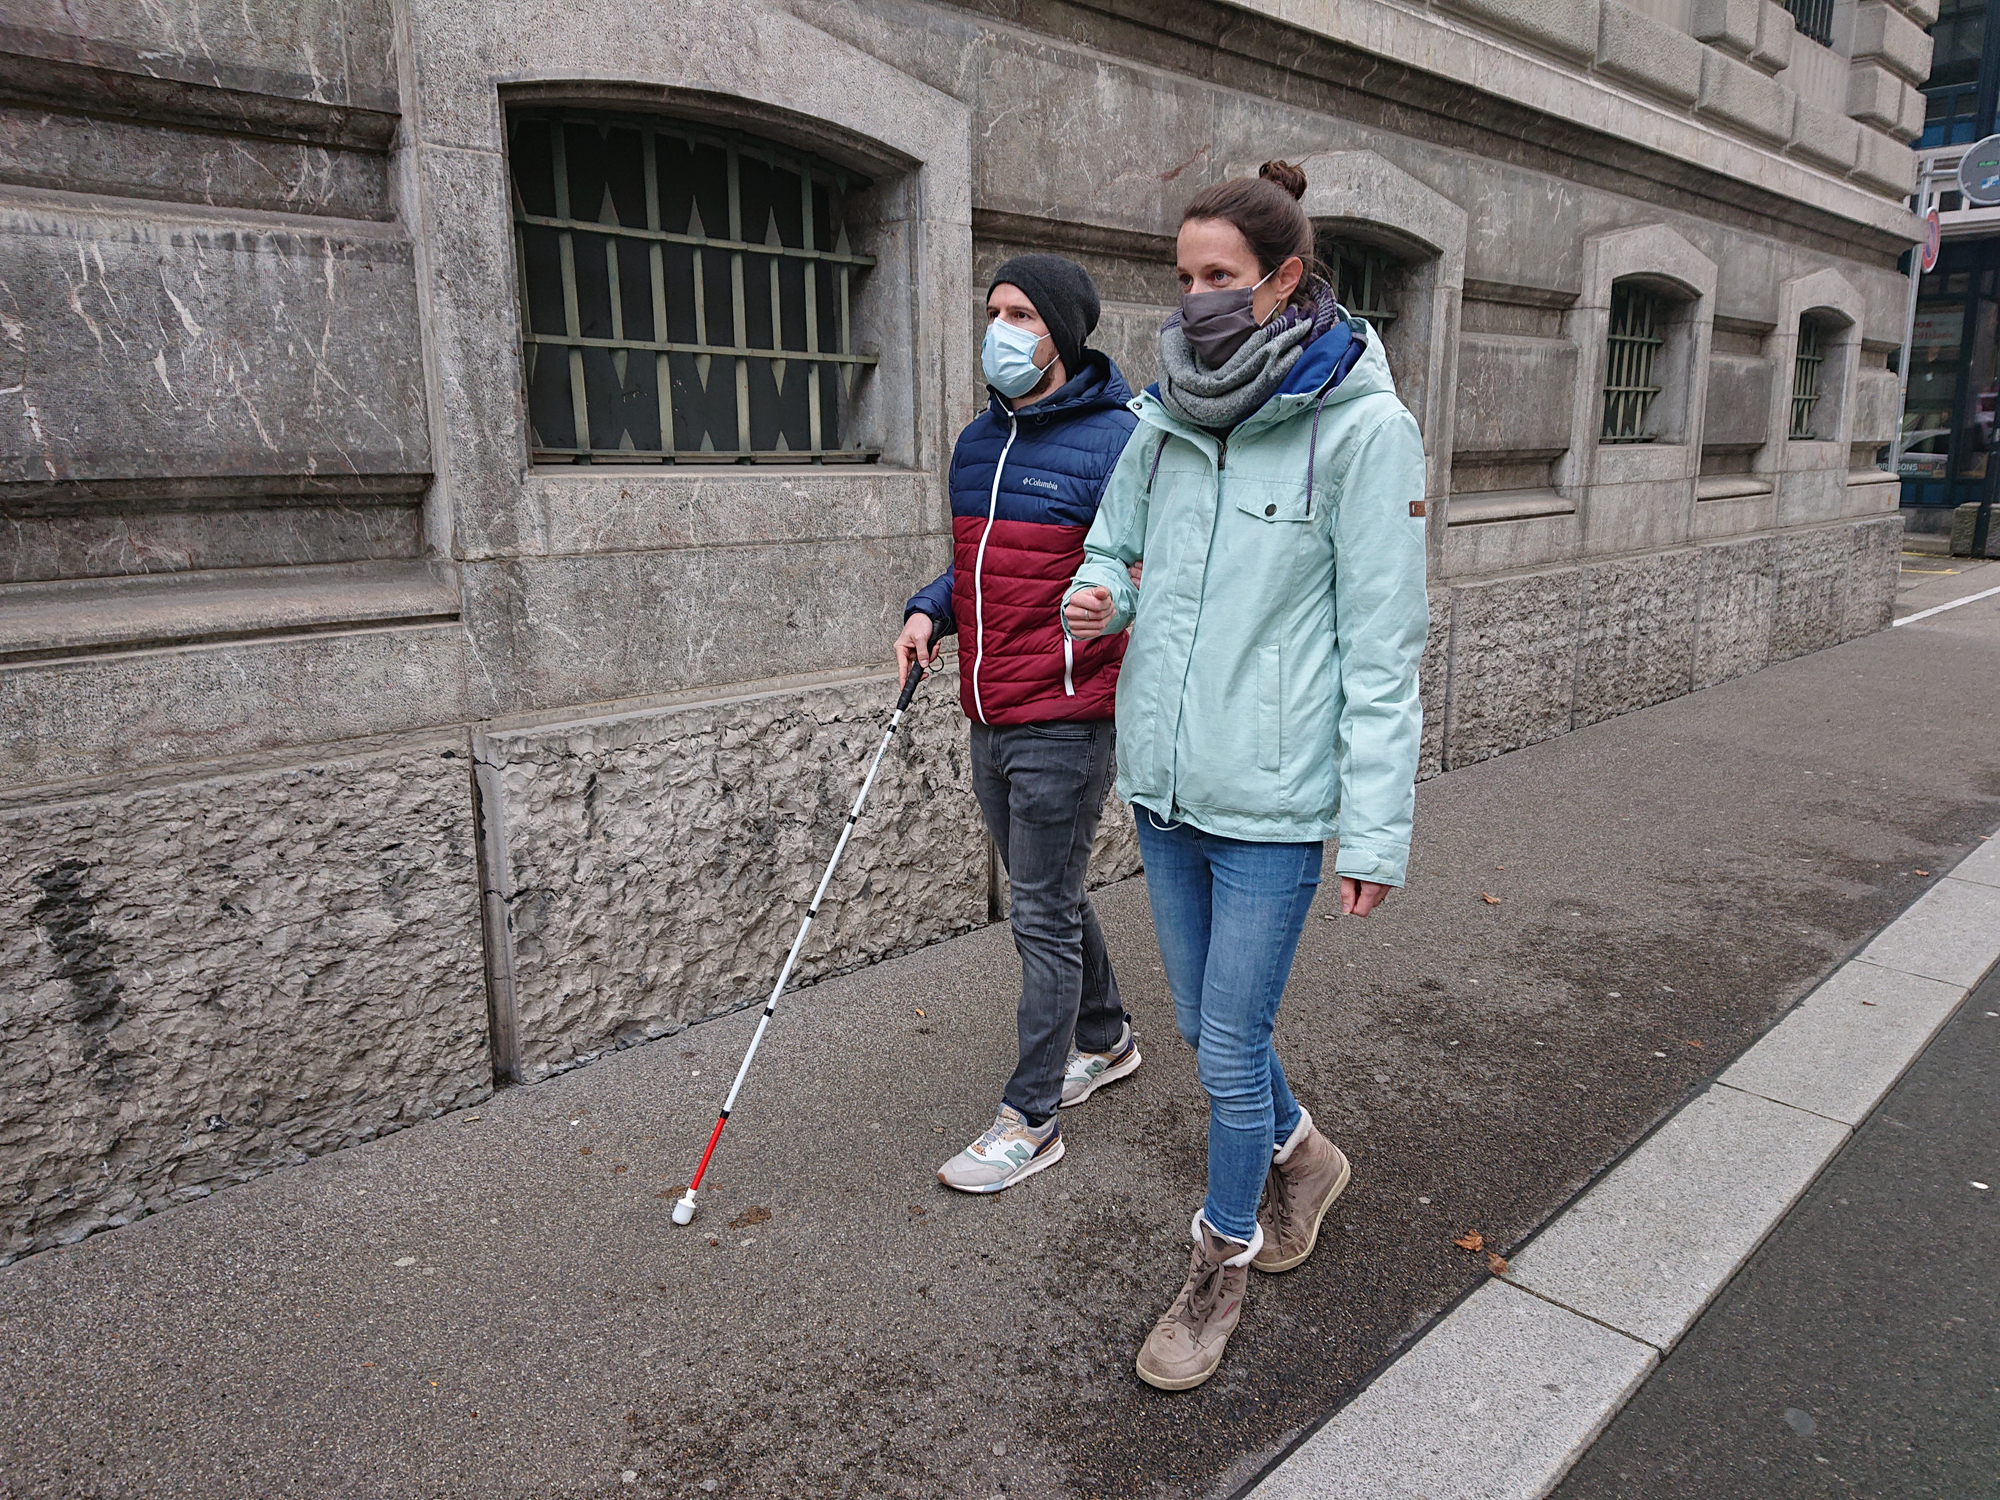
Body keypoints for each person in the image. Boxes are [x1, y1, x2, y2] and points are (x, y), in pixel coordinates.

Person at [1062, 161, 1427, 1390]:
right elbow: (1115, 543)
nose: (1194, 300)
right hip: (1164, 782)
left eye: (1219, 279)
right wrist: (1102, 589)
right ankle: (1305, 1154)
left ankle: (1219, 1264)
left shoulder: (1363, 431)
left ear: (1284, 280)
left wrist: (1372, 829)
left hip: (1270, 804)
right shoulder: (1165, 418)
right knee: (1204, 1027)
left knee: (1226, 1047)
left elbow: (1382, 649)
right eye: (1181, 279)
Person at [898, 255, 1144, 1194]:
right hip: (986, 710)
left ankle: (1030, 1117)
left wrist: (1113, 602)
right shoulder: (975, 443)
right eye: (994, 311)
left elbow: (1146, 569)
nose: (1000, 329)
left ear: (1064, 333)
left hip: (1064, 718)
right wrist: (930, 609)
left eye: (1021, 315)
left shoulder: (1119, 441)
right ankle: (1106, 1035)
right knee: (1050, 887)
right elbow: (978, 568)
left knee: (1038, 910)